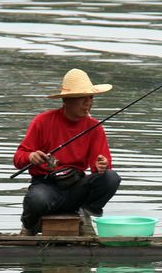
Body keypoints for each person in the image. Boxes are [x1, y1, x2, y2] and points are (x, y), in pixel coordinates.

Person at [13, 68, 122, 235]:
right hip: (46, 185)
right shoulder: (43, 121)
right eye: (82, 98)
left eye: (91, 97)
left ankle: (84, 213)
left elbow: (101, 170)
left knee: (111, 178)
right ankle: (30, 225)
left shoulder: (95, 127)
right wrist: (31, 156)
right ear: (67, 100)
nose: (88, 103)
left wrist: (102, 165)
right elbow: (18, 159)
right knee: (36, 199)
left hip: (76, 186)